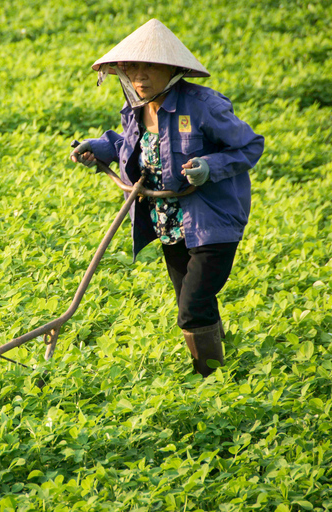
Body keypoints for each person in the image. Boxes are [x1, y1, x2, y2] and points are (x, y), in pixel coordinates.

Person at [70, 19, 264, 377]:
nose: (140, 76)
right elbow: (130, 145)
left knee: (191, 307)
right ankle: (224, 365)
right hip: (168, 222)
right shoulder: (136, 107)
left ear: (173, 69)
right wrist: (101, 147)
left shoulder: (204, 106)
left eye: (151, 67)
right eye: (132, 68)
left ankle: (209, 378)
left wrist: (209, 166)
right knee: (194, 300)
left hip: (211, 222)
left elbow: (250, 145)